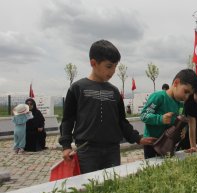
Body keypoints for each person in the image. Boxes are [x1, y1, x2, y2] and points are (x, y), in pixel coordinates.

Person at [59, 39, 156, 174]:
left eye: (115, 66)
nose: (113, 71)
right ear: (93, 63)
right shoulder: (77, 88)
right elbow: (67, 120)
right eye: (109, 66)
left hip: (112, 150)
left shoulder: (114, 92)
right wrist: (66, 146)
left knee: (111, 187)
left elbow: (121, 121)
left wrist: (138, 139)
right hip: (87, 151)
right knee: (90, 189)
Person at [140, 69, 197, 159]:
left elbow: (180, 123)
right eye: (186, 91)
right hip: (152, 144)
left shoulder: (180, 105)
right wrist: (160, 119)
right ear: (176, 83)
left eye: (190, 95)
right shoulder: (159, 97)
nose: (187, 97)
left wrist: (183, 131)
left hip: (169, 145)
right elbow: (144, 115)